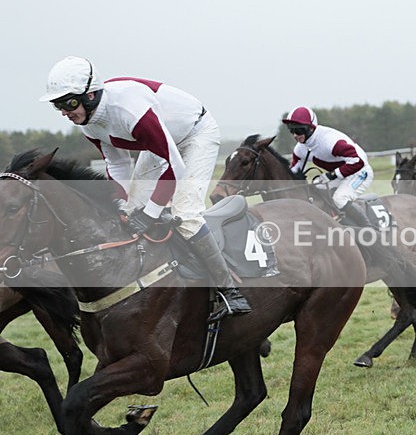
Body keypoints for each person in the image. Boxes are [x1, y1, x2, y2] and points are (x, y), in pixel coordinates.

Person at [40, 56, 251, 315]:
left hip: (196, 134)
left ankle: (229, 291)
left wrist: (151, 213)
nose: (64, 112)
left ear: (90, 95)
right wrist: (119, 205)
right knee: (130, 210)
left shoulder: (129, 110)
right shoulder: (89, 125)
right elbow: (117, 164)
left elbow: (173, 166)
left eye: (69, 103)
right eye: (58, 105)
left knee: (186, 215)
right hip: (161, 143)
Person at [282, 106, 374, 226]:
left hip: (360, 172)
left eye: (298, 130)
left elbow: (358, 161)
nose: (295, 135)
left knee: (340, 198)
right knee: (316, 190)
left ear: (310, 128)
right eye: (291, 130)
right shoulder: (300, 149)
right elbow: (292, 173)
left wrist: (332, 175)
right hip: (341, 174)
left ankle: (369, 229)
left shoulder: (329, 142)